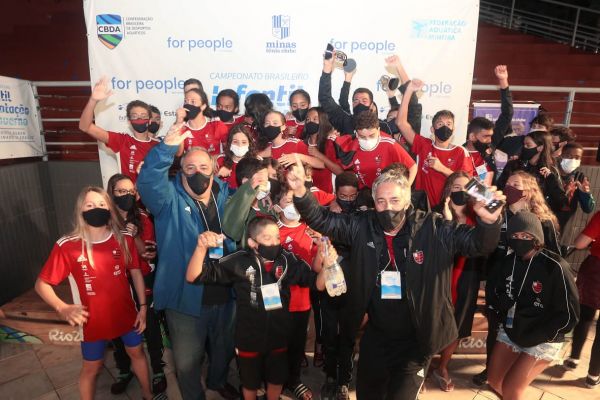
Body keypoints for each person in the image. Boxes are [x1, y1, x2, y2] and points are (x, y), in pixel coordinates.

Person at [286, 158, 503, 400]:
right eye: (381, 201)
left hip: (416, 338)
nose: (387, 207)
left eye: (394, 200)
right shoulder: (362, 224)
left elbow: (478, 244)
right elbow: (323, 220)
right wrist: (300, 192)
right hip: (376, 335)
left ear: (408, 200)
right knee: (369, 394)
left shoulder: (433, 227)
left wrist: (489, 222)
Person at [137, 124, 238, 400]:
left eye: (204, 167)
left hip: (225, 291)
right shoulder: (167, 198)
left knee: (223, 348)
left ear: (213, 168)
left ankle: (218, 381)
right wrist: (167, 148)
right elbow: (146, 182)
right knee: (186, 361)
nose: (198, 172)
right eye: (190, 167)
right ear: (181, 170)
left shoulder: (225, 193)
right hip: (185, 297)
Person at [186, 217, 331, 400]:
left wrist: (328, 263)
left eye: (277, 238)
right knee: (250, 382)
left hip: (279, 336)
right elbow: (193, 276)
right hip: (249, 338)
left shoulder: (287, 260)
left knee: (276, 379)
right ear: (252, 242)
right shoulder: (239, 261)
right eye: (267, 238)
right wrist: (201, 247)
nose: (274, 243)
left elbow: (317, 284)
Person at [35, 186, 156, 400]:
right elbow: (42, 284)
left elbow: (136, 272)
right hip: (92, 321)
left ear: (110, 208)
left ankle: (148, 394)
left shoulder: (124, 238)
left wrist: (143, 307)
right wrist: (62, 307)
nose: (96, 209)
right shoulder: (67, 246)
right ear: (80, 210)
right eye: (89, 205)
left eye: (101, 204)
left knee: (137, 354)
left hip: (126, 314)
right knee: (92, 368)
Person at [473, 170, 562, 386]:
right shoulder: (498, 211)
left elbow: (554, 257)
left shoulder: (543, 220)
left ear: (528, 190)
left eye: (516, 183)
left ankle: (517, 369)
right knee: (495, 326)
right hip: (498, 281)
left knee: (520, 324)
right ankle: (491, 368)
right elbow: (474, 193)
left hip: (529, 286)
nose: (510, 186)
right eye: (508, 183)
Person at [487, 211, 579, 400]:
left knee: (512, 389)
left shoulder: (556, 266)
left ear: (536, 237)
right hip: (514, 328)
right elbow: (496, 292)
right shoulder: (507, 262)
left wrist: (545, 333)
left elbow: (570, 315)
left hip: (544, 336)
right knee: (494, 381)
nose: (520, 240)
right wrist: (500, 305)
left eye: (526, 236)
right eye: (515, 236)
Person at [106, 174, 167, 395]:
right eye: (121, 192)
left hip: (143, 279)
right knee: (118, 327)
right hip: (114, 283)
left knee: (149, 324)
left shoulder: (142, 218)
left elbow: (147, 254)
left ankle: (158, 369)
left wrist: (134, 234)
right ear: (111, 193)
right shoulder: (103, 220)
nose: (127, 196)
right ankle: (124, 369)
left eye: (131, 191)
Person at [431, 172, 486, 392]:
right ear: (447, 190)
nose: (460, 191)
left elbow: (487, 240)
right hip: (439, 276)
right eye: (455, 187)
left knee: (458, 325)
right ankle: (420, 368)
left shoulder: (480, 215)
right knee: (431, 322)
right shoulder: (436, 213)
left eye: (466, 187)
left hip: (467, 275)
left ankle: (442, 367)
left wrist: (480, 191)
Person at [272, 186, 319, 399]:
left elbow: (318, 268)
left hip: (301, 300)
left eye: (296, 201)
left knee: (297, 343)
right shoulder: (271, 230)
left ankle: (294, 380)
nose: (293, 206)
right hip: (277, 301)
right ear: (275, 205)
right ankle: (274, 381)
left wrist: (323, 246)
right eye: (287, 201)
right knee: (275, 345)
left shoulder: (311, 230)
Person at [396, 79, 474, 206]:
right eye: (440, 123)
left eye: (449, 124)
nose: (445, 127)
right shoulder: (424, 145)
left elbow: (469, 183)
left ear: (453, 129)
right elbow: (401, 123)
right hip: (424, 208)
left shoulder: (461, 152)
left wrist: (441, 168)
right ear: (433, 129)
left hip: (450, 208)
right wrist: (409, 90)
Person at [319, 171, 361, 400]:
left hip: (353, 283)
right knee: (328, 334)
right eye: (343, 196)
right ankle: (329, 377)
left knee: (347, 335)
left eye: (352, 196)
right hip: (330, 281)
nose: (347, 200)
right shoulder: (327, 214)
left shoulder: (364, 215)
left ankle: (344, 380)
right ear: (336, 194)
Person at [78, 78, 158, 183]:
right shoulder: (122, 141)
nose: (139, 119)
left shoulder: (159, 145)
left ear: (150, 120)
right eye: (135, 116)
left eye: (143, 116)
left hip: (153, 197)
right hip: (129, 196)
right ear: (129, 121)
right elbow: (85, 126)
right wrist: (93, 100)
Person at [563, 211, 600, 389]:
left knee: (585, 314)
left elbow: (580, 243)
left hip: (596, 271)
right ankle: (593, 375)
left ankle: (573, 358)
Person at [334, 111, 417, 189]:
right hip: (365, 192)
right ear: (356, 134)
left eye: (372, 135)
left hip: (386, 190)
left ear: (379, 130)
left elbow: (413, 167)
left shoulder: (389, 144)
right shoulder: (350, 148)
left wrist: (406, 189)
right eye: (362, 137)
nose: (367, 140)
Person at [497, 130, 568, 218]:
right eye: (523, 144)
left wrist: (550, 179)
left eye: (528, 145)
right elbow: (500, 186)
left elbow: (560, 200)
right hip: (509, 213)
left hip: (536, 216)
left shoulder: (549, 171)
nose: (524, 147)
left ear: (540, 148)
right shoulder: (514, 165)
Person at [257, 110, 324, 170]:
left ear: (283, 127)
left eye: (275, 123)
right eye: (267, 123)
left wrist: (298, 157)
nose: (271, 126)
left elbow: (321, 164)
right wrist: (261, 155)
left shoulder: (295, 143)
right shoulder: (264, 146)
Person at [555, 142, 595, 229]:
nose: (573, 160)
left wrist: (586, 193)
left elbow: (588, 209)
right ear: (561, 156)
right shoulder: (550, 173)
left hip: (562, 224)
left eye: (577, 157)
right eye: (569, 156)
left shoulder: (580, 178)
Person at [177, 88, 229, 156]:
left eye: (193, 102)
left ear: (203, 106)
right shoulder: (182, 127)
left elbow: (228, 150)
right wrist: (179, 122)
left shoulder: (216, 124)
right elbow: (178, 153)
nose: (188, 105)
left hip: (213, 165)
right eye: (186, 101)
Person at [303, 107, 343, 193]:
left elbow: (339, 171)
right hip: (307, 196)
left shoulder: (330, 143)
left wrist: (318, 155)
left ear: (323, 121)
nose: (310, 122)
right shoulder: (302, 144)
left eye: (315, 119)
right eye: (308, 119)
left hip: (327, 196)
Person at [216, 124, 257, 189]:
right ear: (230, 143)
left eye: (244, 142)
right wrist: (217, 175)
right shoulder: (220, 160)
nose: (239, 145)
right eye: (235, 142)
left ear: (249, 144)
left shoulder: (256, 161)